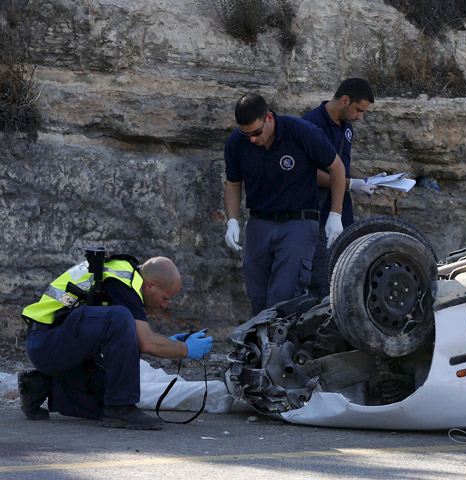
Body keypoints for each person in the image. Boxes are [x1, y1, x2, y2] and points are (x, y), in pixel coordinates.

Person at [19, 254, 213, 430]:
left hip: (61, 347)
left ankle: (40, 384)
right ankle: (120, 408)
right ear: (151, 285)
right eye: (165, 298)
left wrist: (169, 343)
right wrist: (185, 349)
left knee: (104, 397)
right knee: (119, 317)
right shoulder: (122, 281)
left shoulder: (128, 279)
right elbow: (146, 342)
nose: (164, 305)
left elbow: (133, 338)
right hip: (45, 342)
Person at [224, 93, 346, 315]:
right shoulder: (236, 142)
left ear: (269, 118)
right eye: (246, 134)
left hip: (297, 221)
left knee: (285, 295)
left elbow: (336, 168)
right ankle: (261, 346)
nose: (252, 139)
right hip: (260, 221)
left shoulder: (301, 132)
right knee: (257, 293)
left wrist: (335, 215)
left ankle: (281, 347)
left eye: (256, 132)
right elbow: (233, 183)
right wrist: (232, 220)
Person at [302, 78, 382, 299]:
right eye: (358, 110)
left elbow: (342, 165)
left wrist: (365, 180)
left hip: (342, 212)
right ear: (345, 100)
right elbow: (308, 173)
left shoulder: (346, 127)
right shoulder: (311, 124)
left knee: (345, 274)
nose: (360, 117)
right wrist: (351, 184)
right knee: (321, 278)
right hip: (318, 214)